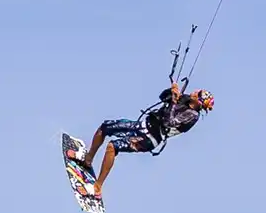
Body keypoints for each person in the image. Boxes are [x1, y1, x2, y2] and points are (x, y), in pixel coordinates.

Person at [73, 82, 215, 197]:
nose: (195, 91)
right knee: (105, 127)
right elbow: (162, 97)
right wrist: (171, 92)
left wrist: (173, 102)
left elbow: (168, 122)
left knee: (112, 147)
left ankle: (97, 188)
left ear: (199, 102)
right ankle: (88, 159)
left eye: (198, 93)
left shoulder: (192, 116)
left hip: (150, 138)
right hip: (142, 125)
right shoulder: (186, 98)